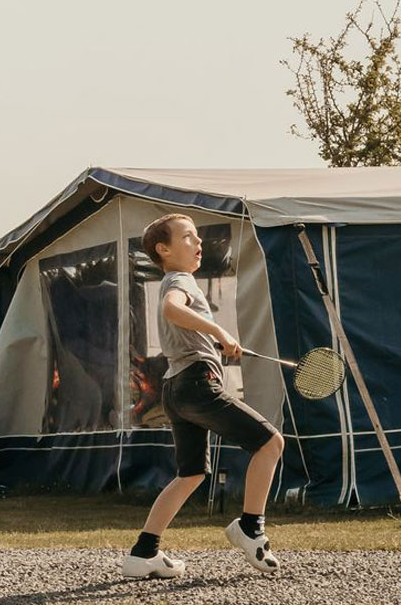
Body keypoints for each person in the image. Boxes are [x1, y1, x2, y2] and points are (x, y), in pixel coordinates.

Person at [121, 214, 286, 578]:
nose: (198, 243)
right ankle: (250, 527)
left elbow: (179, 324)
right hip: (196, 384)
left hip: (175, 389)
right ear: (163, 250)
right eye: (188, 237)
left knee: (191, 474)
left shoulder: (176, 280)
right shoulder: (179, 280)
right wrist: (219, 331)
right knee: (271, 443)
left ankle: (143, 553)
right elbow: (172, 309)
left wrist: (214, 343)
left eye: (197, 237)